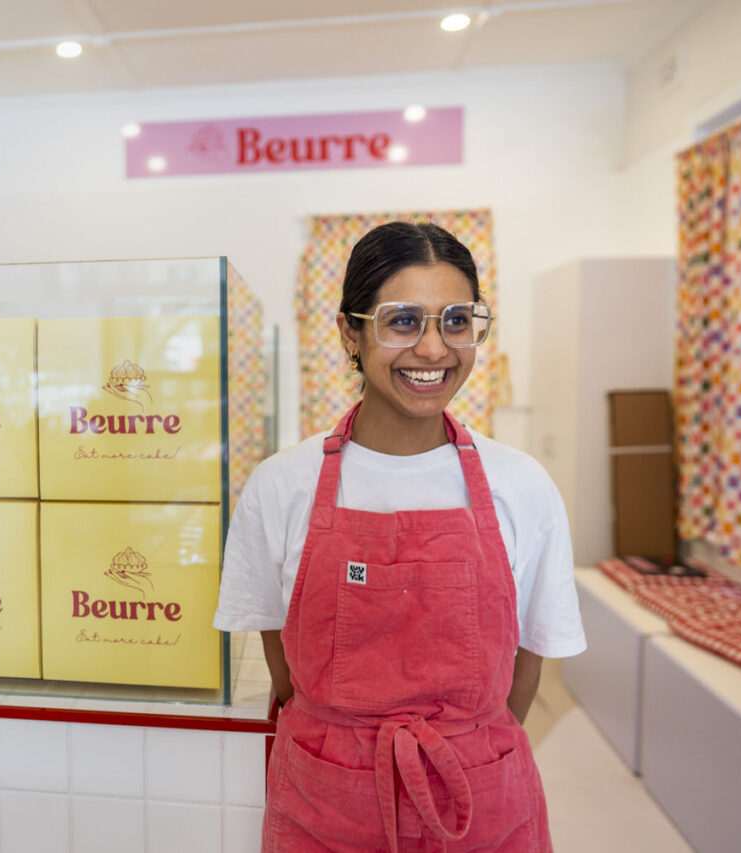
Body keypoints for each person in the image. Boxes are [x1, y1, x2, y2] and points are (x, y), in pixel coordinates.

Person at [214, 221, 586, 852]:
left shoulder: (521, 486)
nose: (435, 349)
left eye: (457, 321)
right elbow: (285, 666)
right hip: (327, 804)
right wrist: (347, 750)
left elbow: (528, 666)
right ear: (349, 332)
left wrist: (467, 748)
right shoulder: (281, 486)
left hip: (477, 801)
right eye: (403, 321)